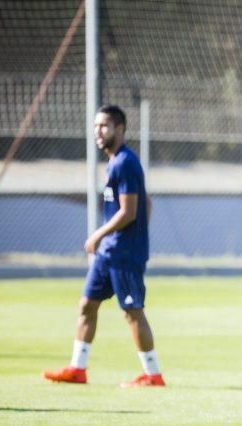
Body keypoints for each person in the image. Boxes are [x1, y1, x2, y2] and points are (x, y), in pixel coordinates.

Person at [43, 104, 165, 388]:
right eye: (96, 126)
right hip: (110, 252)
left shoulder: (125, 162)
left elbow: (129, 211)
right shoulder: (114, 162)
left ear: (119, 129)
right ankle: (77, 368)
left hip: (123, 253)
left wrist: (101, 235)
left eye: (104, 126)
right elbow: (147, 203)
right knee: (87, 305)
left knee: (132, 311)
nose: (98, 132)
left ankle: (153, 374)